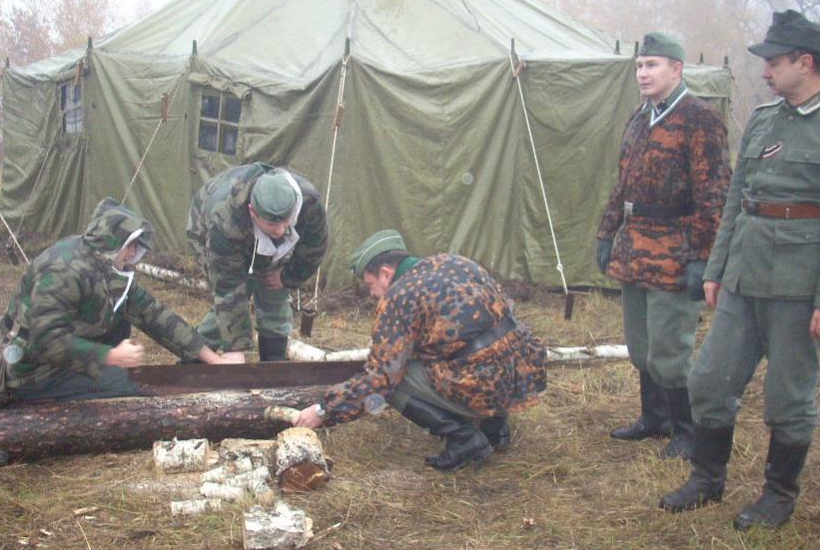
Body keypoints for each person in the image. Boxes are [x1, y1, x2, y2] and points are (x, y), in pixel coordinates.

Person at [660, 10, 820, 530]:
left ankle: (778, 495)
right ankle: (707, 479)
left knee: (788, 398)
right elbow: (738, 199)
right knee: (709, 379)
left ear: (805, 63)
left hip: (800, 288)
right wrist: (717, 268)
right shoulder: (764, 119)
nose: (765, 72)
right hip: (744, 277)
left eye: (774, 62)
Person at [294, 230, 546, 471]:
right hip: (522, 373)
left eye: (370, 284)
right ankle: (495, 430)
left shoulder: (399, 297)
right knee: (484, 348)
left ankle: (464, 439)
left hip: (486, 384)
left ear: (385, 273)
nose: (372, 293)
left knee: (394, 383)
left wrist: (323, 411)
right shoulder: (455, 262)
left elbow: (380, 380)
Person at [596, 32, 731, 460]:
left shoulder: (699, 119)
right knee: (641, 346)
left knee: (670, 351)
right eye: (639, 65)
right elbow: (622, 183)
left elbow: (714, 195)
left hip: (676, 250)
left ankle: (687, 431)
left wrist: (704, 257)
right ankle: (654, 419)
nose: (643, 73)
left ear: (677, 69)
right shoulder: (640, 118)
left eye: (652, 65)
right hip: (634, 248)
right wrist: (606, 233)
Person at [0, 197, 242, 402]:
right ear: (112, 243)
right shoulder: (64, 271)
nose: (133, 253)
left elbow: (154, 315)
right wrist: (111, 356)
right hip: (26, 368)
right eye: (130, 245)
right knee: (125, 383)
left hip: (53, 354)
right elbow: (47, 341)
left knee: (121, 318)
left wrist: (214, 360)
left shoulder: (105, 264)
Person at [187, 163, 328, 361]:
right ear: (253, 212)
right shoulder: (225, 220)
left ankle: (273, 361)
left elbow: (315, 246)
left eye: (286, 221)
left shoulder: (308, 201)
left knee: (273, 289)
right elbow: (228, 288)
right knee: (235, 297)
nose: (280, 230)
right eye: (272, 224)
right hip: (204, 227)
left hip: (254, 233)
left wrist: (288, 277)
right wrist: (235, 348)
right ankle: (193, 360)